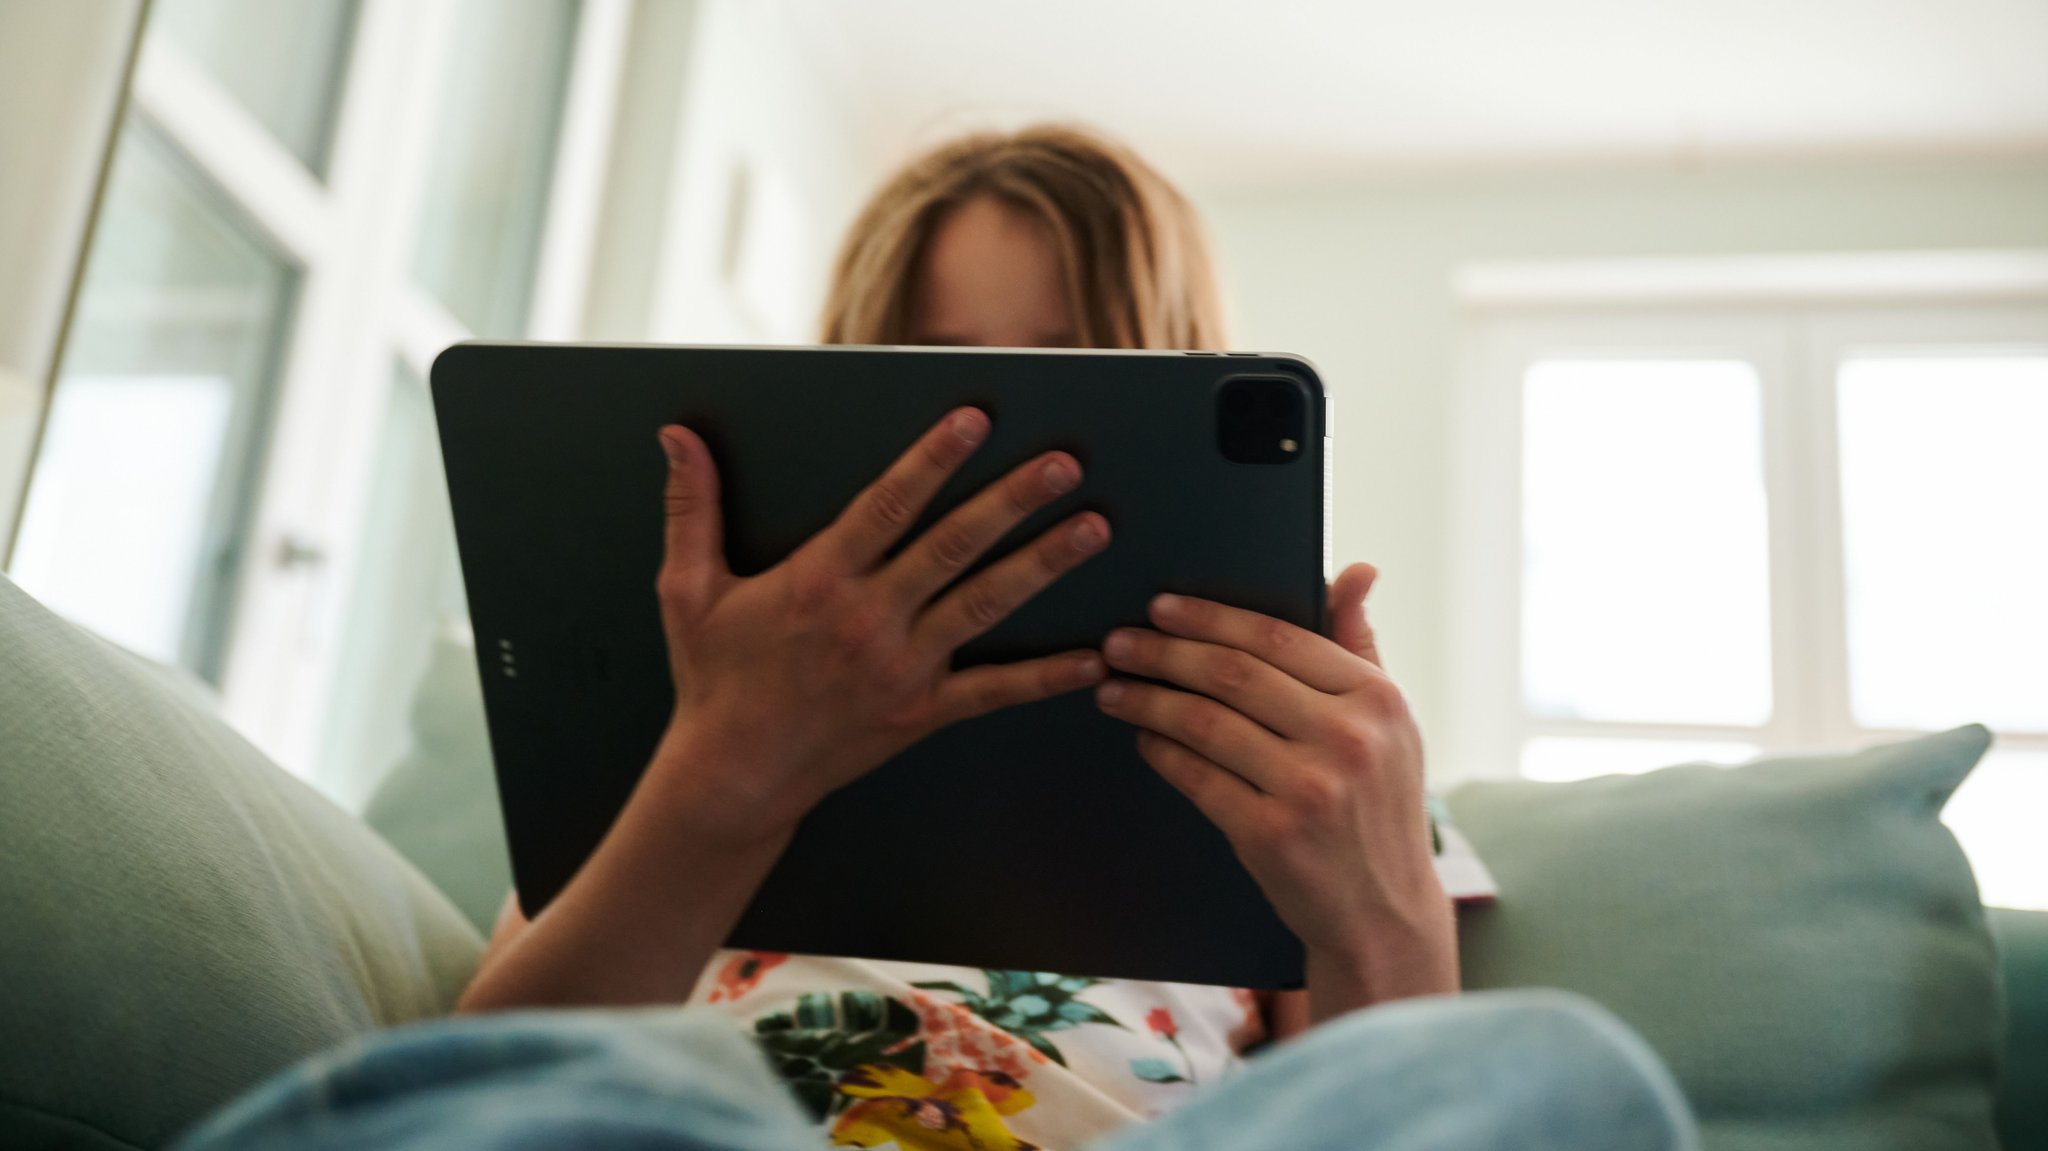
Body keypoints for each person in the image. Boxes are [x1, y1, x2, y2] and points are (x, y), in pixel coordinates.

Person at [176, 126, 1696, 1151]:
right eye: (916, 378)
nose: (981, 450)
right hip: (702, 1128)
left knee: (1566, 1075)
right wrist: (726, 773)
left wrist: (1379, 923)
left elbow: (1392, 1098)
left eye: (1059, 379)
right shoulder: (683, 727)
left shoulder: (1298, 750)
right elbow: (482, 1080)